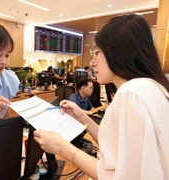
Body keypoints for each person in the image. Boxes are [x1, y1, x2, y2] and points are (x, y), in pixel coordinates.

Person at [33, 14, 169, 180]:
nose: (92, 62)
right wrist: (82, 117)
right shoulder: (152, 87)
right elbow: (117, 146)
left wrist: (62, 147)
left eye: (96, 52)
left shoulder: (131, 93)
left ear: (118, 52)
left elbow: (117, 176)